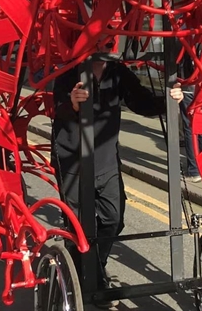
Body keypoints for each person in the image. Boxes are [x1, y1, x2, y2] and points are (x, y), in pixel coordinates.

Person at [51, 48, 184, 307]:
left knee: (114, 218)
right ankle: (93, 278)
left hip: (106, 159)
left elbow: (141, 102)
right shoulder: (69, 69)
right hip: (72, 160)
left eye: (111, 34)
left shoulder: (117, 71)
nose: (107, 41)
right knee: (78, 226)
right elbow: (57, 108)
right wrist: (73, 104)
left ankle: (94, 266)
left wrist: (169, 99)